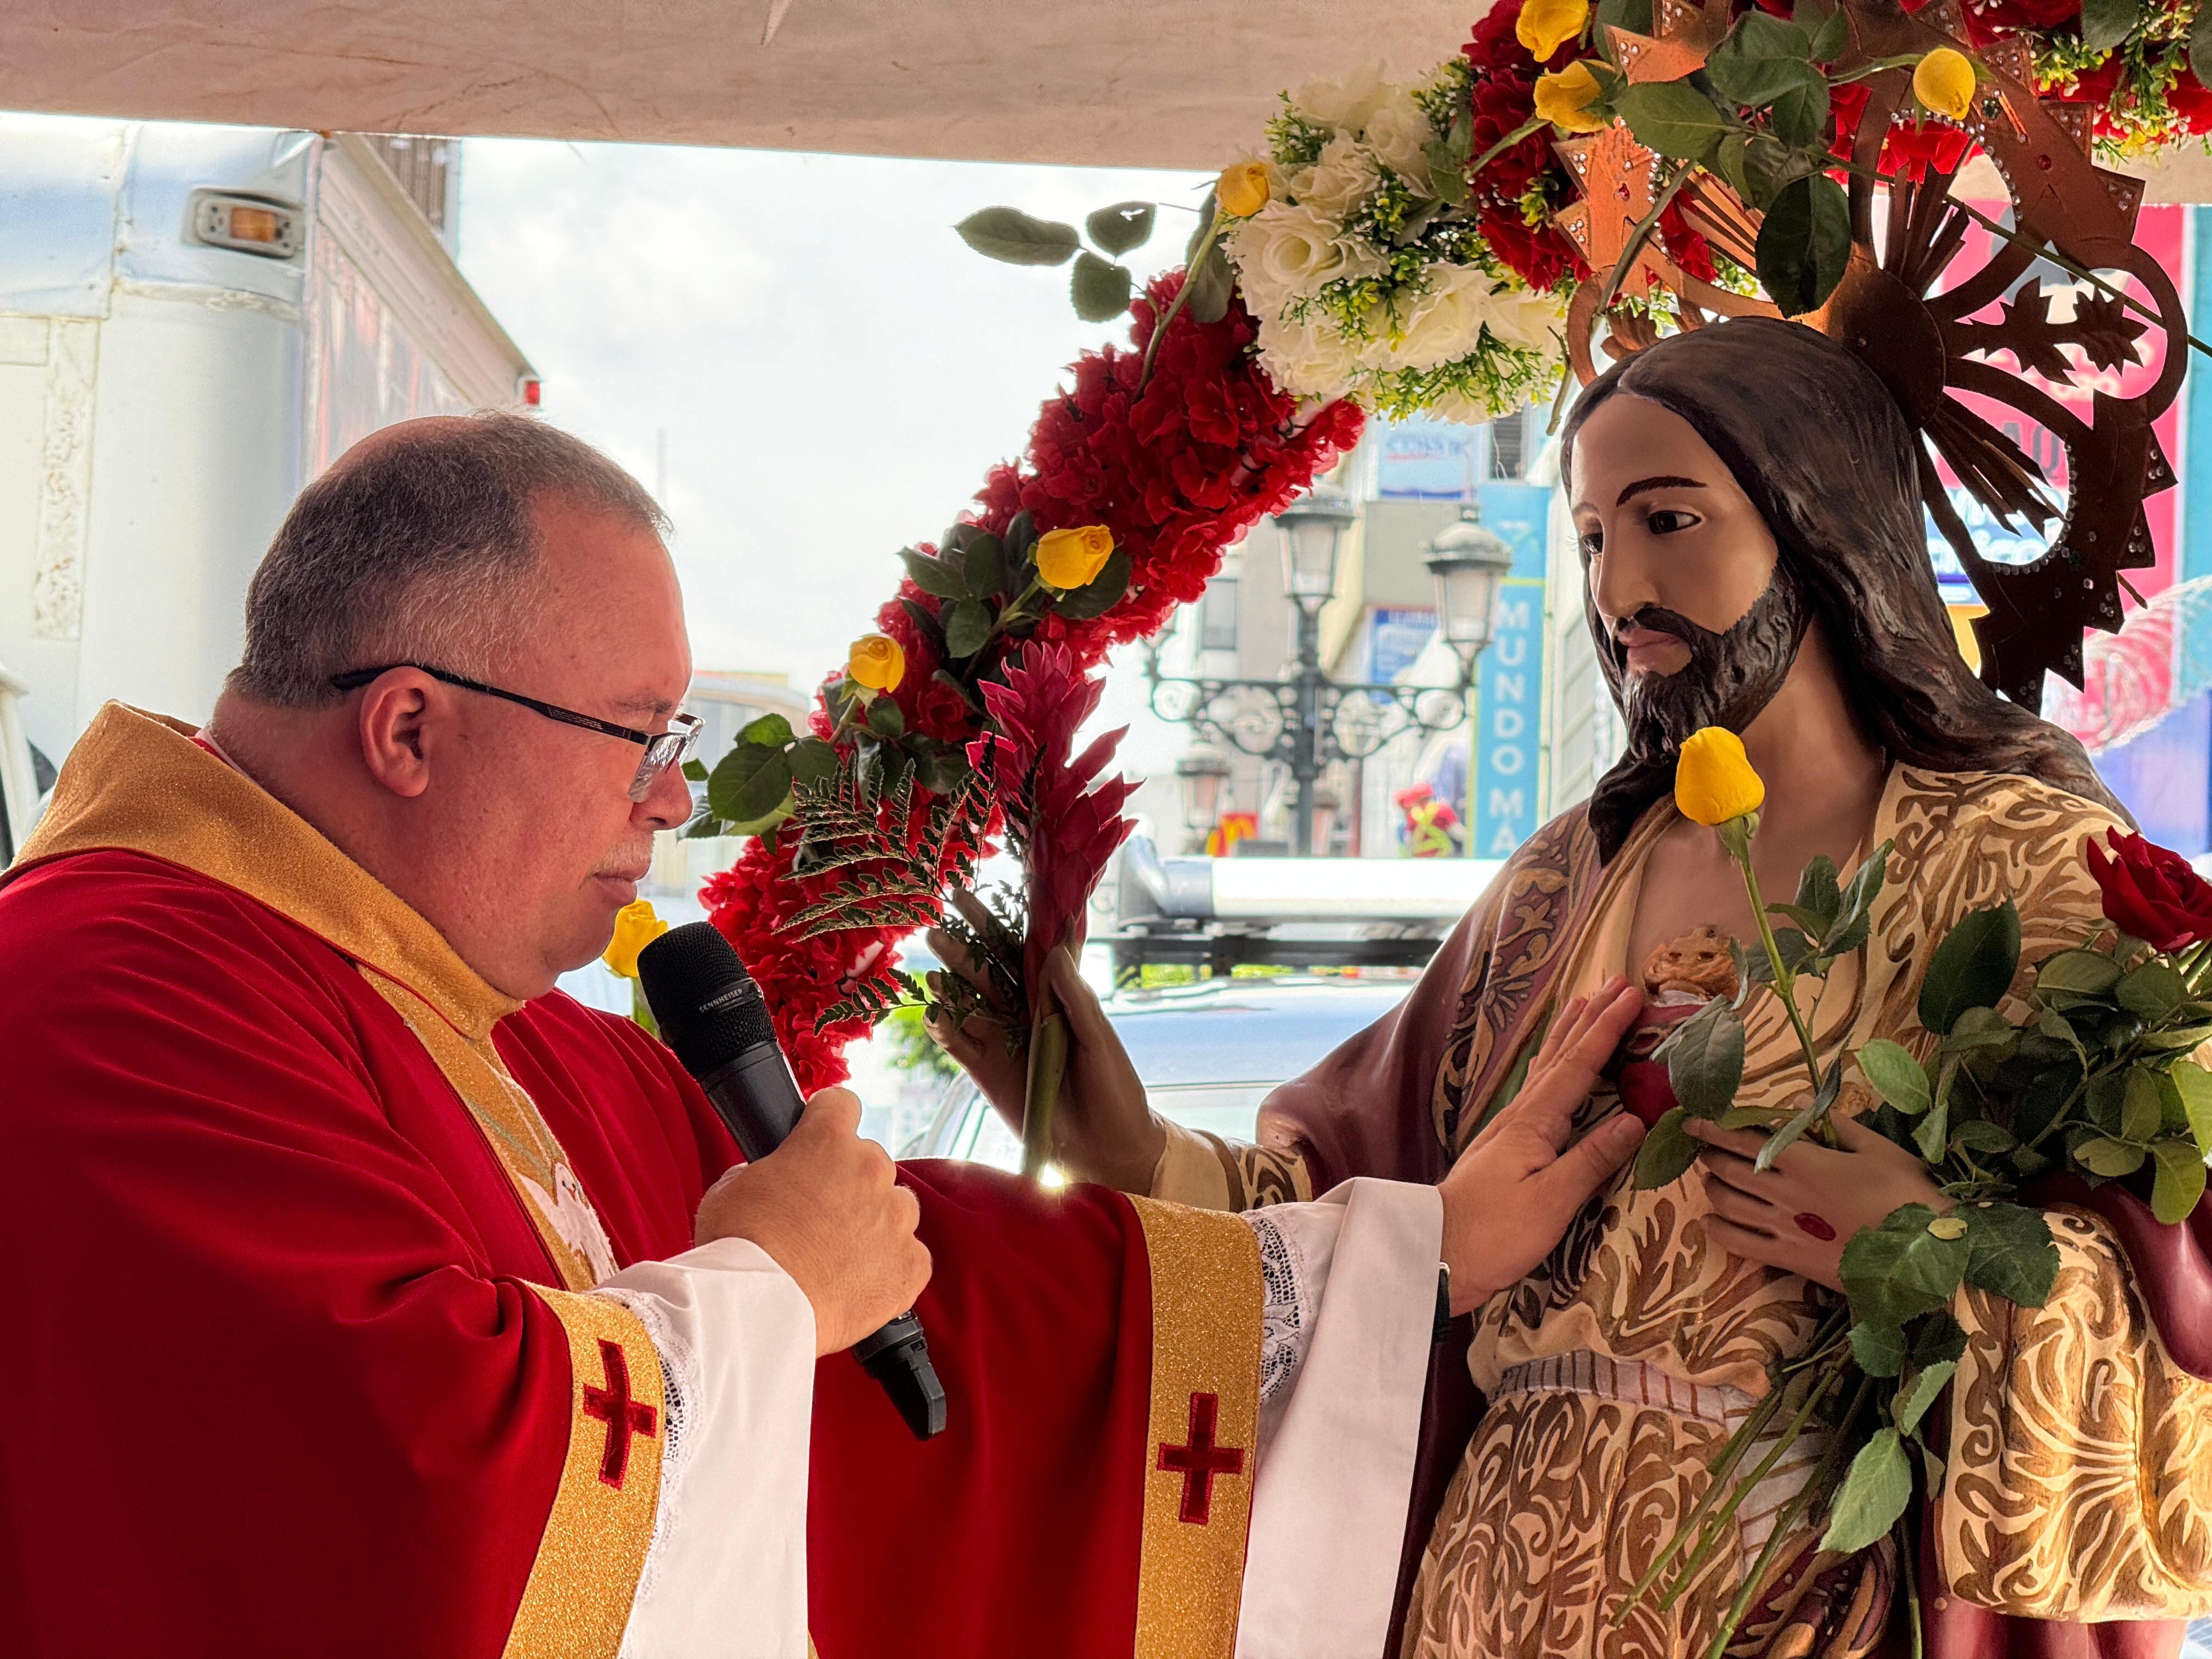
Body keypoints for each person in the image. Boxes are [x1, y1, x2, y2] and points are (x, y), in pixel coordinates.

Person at [0, 411, 1646, 1659]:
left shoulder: (483, 1028)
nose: (668, 797)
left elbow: (919, 1269)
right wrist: (774, 1293)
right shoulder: (104, 1003)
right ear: (410, 727)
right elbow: (414, 1490)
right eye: (638, 734)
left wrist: (1386, 1264)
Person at [932, 319, 2212, 1657]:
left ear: (1822, 527)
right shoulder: (1570, 878)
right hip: (1485, 1592)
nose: (1622, 586)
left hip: (1805, 1598)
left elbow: (2184, 1280)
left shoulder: (2017, 864)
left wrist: (1943, 1256)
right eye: (1596, 537)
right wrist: (1126, 1147)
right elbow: (1377, 1214)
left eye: (1669, 521)